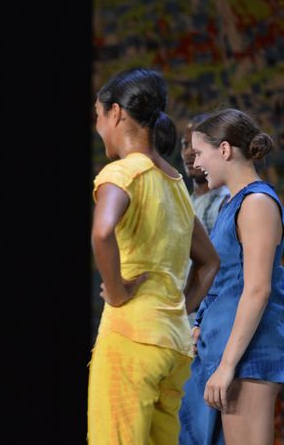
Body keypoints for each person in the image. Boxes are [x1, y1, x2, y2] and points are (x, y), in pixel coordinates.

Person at [89, 67, 220, 444]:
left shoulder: (124, 172)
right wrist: (180, 309)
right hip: (173, 346)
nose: (99, 129)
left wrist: (115, 292)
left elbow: (102, 232)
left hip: (131, 340)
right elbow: (210, 262)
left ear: (116, 113)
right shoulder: (176, 183)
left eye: (99, 117)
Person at [179, 108, 284, 445]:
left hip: (247, 357)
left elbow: (257, 290)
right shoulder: (231, 205)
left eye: (200, 153)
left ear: (224, 150)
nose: (196, 163)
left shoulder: (257, 203)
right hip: (224, 352)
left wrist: (227, 366)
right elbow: (226, 281)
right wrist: (201, 324)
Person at [180, 113, 230, 233]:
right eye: (185, 144)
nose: (188, 152)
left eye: (196, 146)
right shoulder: (186, 203)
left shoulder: (225, 203)